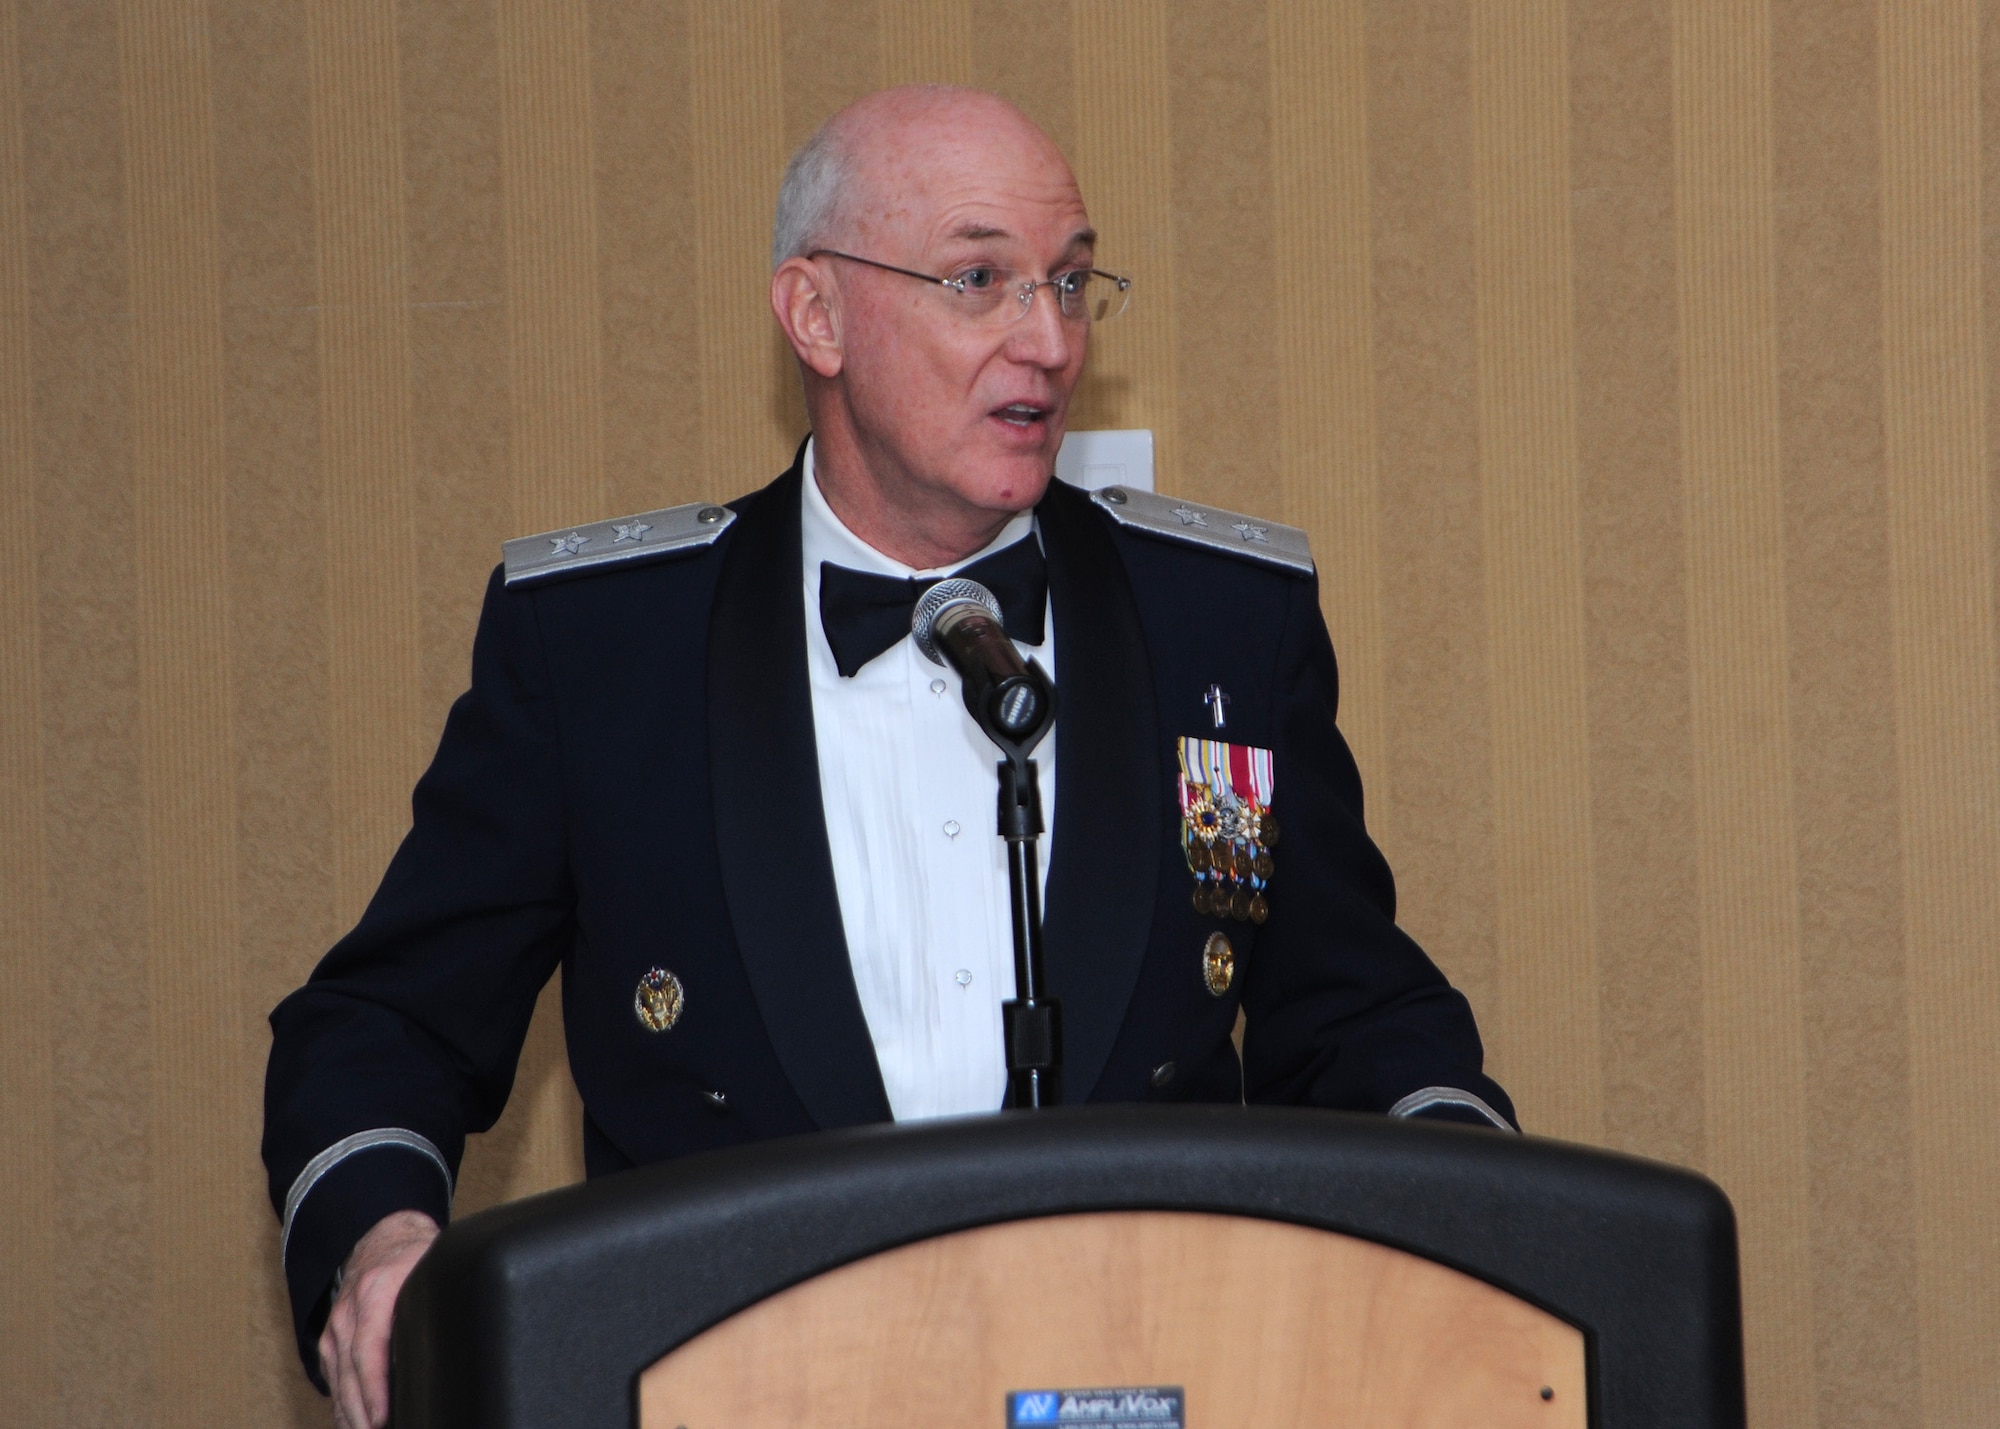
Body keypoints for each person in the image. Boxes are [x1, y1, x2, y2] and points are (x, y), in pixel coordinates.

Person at [262, 85, 1515, 1429]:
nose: (1047, 339)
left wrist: (1481, 1216)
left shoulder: (1220, 621)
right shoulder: (601, 648)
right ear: (816, 315)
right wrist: (382, 1240)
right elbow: (385, 1023)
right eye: (981, 279)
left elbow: (1360, 1013)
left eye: (1073, 282)